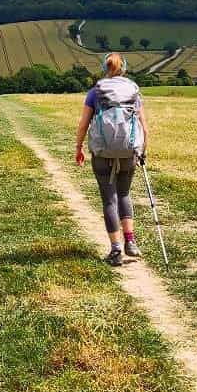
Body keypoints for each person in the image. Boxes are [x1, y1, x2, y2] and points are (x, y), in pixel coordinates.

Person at [75, 52, 147, 267]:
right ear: (124, 67)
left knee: (109, 199)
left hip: (102, 153)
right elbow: (144, 126)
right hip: (128, 152)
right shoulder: (133, 91)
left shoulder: (95, 92)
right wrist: (142, 151)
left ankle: (116, 250)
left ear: (104, 67)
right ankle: (130, 241)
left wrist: (78, 147)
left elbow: (83, 124)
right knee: (124, 193)